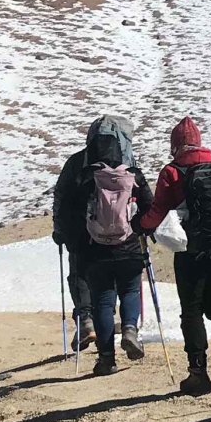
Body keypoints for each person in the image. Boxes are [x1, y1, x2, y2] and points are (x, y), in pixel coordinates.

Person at [137, 117, 211, 396]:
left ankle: (198, 373)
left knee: (192, 310)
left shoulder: (171, 172)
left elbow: (158, 211)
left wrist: (141, 225)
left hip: (192, 250)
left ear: (175, 144)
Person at [54, 122, 153, 375]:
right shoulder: (131, 171)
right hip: (129, 246)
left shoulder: (84, 173)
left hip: (94, 248)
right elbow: (150, 207)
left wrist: (64, 234)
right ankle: (130, 329)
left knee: (103, 301)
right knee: (130, 290)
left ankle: (106, 359)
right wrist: (142, 228)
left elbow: (66, 206)